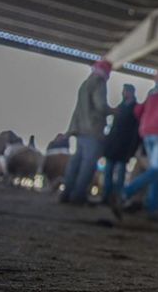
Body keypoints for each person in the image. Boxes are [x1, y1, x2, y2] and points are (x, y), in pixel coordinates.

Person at [113, 65, 158, 223]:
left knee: (157, 172)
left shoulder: (156, 88)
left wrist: (147, 123)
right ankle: (124, 194)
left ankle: (153, 209)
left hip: (147, 132)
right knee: (156, 170)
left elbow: (138, 111)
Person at [61, 60, 113, 205]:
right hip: (93, 130)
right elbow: (100, 105)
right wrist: (114, 111)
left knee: (75, 163)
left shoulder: (86, 83)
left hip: (80, 129)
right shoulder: (99, 83)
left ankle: (66, 193)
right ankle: (78, 196)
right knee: (88, 165)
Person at [100, 84, 141, 203]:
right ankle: (107, 196)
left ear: (130, 92)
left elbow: (135, 131)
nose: (123, 93)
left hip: (124, 146)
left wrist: (132, 148)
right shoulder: (121, 107)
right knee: (109, 171)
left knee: (120, 173)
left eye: (125, 91)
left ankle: (117, 197)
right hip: (114, 145)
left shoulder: (134, 109)